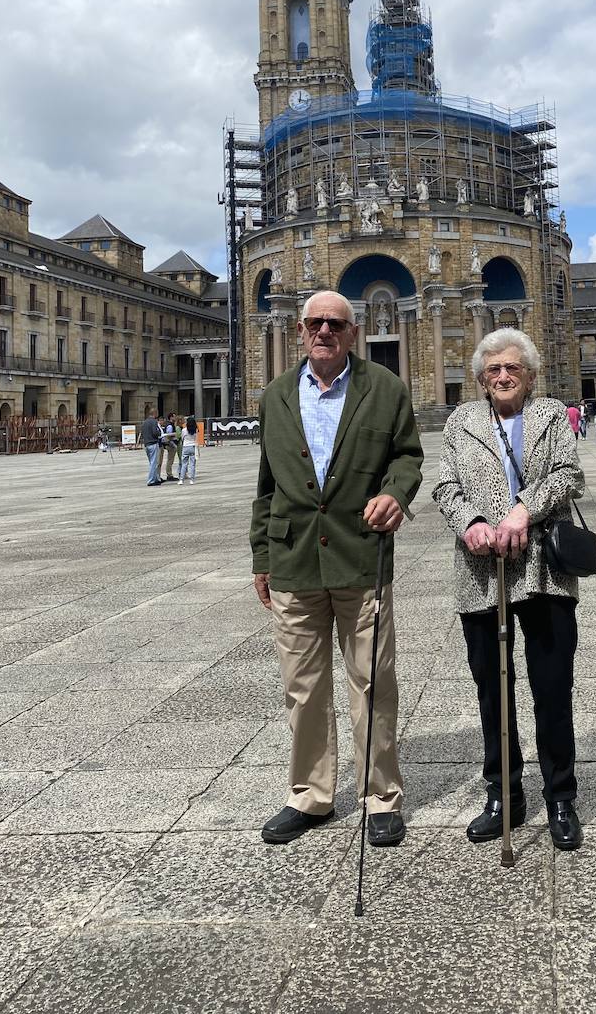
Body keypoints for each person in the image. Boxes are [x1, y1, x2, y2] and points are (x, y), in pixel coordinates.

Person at [251, 290, 423, 848]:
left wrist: (396, 493)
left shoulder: (386, 389)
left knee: (372, 681)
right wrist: (261, 557)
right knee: (302, 688)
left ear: (355, 333)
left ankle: (380, 797)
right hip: (294, 559)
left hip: (360, 554)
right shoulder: (275, 395)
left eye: (336, 324)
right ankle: (310, 795)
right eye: (314, 323)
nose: (323, 331)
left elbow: (406, 455)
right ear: (300, 331)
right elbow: (266, 487)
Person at [432, 328, 586, 851]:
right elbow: (444, 485)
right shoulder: (461, 422)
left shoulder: (551, 417)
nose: (502, 377)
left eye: (512, 369)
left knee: (551, 687)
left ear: (530, 376)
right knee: (492, 690)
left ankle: (561, 795)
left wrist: (526, 507)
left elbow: (569, 474)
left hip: (543, 569)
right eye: (493, 370)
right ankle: (504, 793)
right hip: (481, 572)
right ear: (480, 379)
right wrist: (471, 520)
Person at [142, 407, 163, 486]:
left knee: (152, 462)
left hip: (147, 444)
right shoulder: (154, 421)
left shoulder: (145, 422)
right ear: (154, 413)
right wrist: (159, 433)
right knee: (154, 463)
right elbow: (155, 432)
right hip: (153, 443)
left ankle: (156, 479)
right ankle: (151, 480)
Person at [178, 415, 199, 484]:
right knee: (192, 464)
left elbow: (182, 438)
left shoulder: (184, 430)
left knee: (184, 464)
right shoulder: (195, 430)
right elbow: (196, 439)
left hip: (185, 447)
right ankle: (192, 480)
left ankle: (181, 479)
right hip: (193, 446)